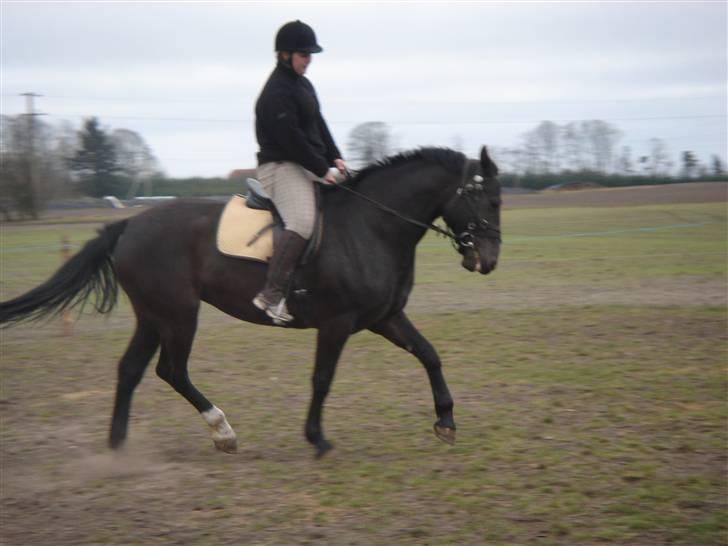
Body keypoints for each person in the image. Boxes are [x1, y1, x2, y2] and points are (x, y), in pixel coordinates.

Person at [253, 20, 347, 324]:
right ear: (284, 55)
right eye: (304, 55)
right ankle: (271, 295)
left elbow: (318, 124)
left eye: (311, 55)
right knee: (303, 221)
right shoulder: (275, 93)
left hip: (305, 163)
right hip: (279, 166)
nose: (309, 60)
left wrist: (336, 158)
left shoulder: (303, 84)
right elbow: (292, 141)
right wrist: (323, 170)